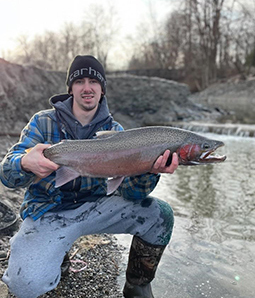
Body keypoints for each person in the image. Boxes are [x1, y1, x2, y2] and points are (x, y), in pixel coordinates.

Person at [0, 55, 179, 298]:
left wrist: (149, 170)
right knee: (24, 286)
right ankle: (53, 252)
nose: (87, 88)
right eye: (80, 81)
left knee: (160, 215)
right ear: (70, 88)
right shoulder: (42, 122)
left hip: (96, 208)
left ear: (102, 88)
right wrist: (23, 162)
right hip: (48, 211)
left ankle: (137, 284)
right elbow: (7, 176)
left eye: (93, 81)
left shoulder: (116, 132)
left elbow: (130, 193)